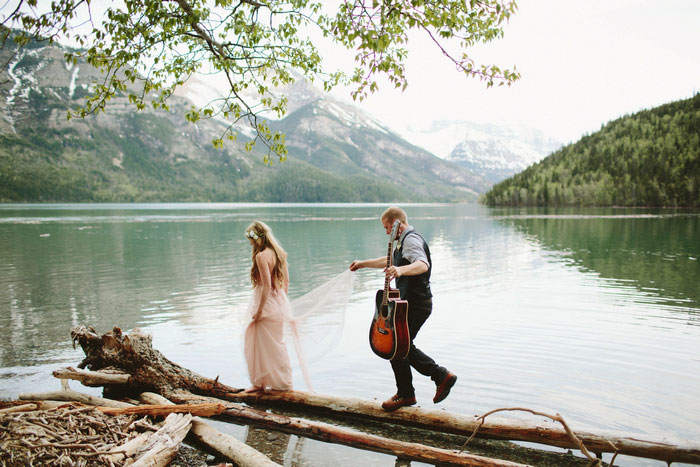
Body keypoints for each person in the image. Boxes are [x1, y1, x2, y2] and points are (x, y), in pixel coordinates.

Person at [350, 207, 457, 411]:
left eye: (386, 227)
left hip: (417, 304)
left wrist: (399, 271)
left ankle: (419, 386)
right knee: (400, 348)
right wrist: (363, 264)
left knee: (397, 347)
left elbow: (422, 264)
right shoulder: (403, 242)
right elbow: (390, 260)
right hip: (411, 304)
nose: (386, 232)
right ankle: (426, 383)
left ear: (396, 223)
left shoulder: (410, 240)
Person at [243, 221, 295, 393]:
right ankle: (284, 383)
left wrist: (259, 312)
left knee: (256, 342)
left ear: (257, 239)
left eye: (250, 239)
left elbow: (265, 286)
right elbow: (286, 282)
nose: (249, 243)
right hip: (278, 301)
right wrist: (282, 302)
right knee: (276, 344)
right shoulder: (279, 253)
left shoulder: (261, 256)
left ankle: (260, 383)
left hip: (265, 304)